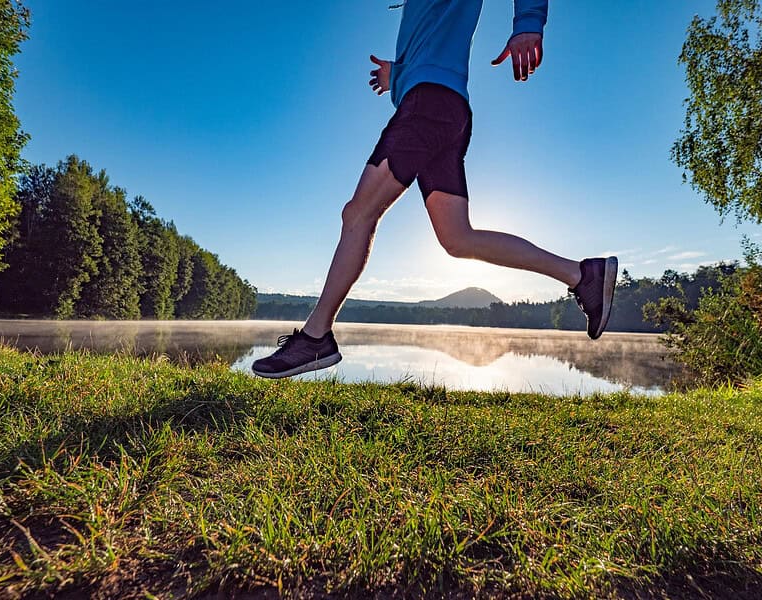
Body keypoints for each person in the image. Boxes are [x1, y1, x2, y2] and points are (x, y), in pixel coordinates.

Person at [252, 0, 617, 379]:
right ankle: (582, 275)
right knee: (457, 238)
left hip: (428, 106)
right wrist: (400, 73)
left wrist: (528, 22)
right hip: (443, 105)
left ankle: (315, 337)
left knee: (358, 213)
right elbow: (435, 39)